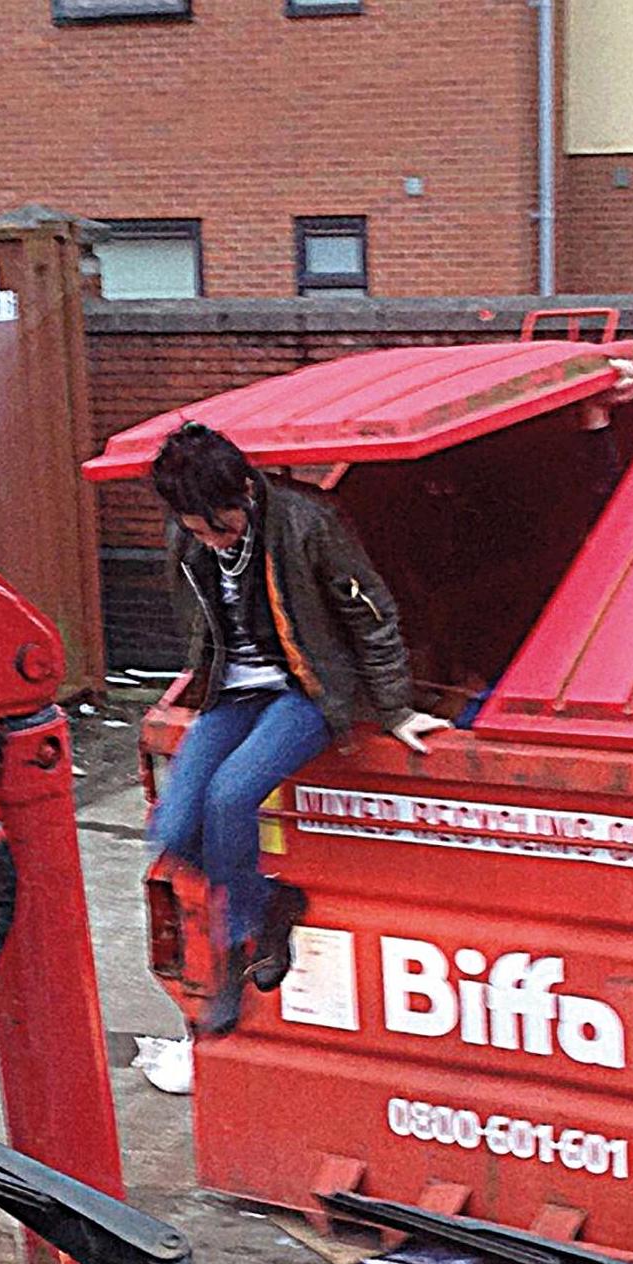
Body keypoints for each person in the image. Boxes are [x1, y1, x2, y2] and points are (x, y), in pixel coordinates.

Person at [147, 422, 449, 1036]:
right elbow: (202, 627)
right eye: (194, 530)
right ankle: (267, 900)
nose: (207, 541)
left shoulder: (308, 523)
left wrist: (392, 707)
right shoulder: (189, 538)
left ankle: (243, 944)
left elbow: (371, 614)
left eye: (218, 528)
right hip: (232, 691)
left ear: (246, 497)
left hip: (306, 687)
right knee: (171, 828)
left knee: (231, 797)